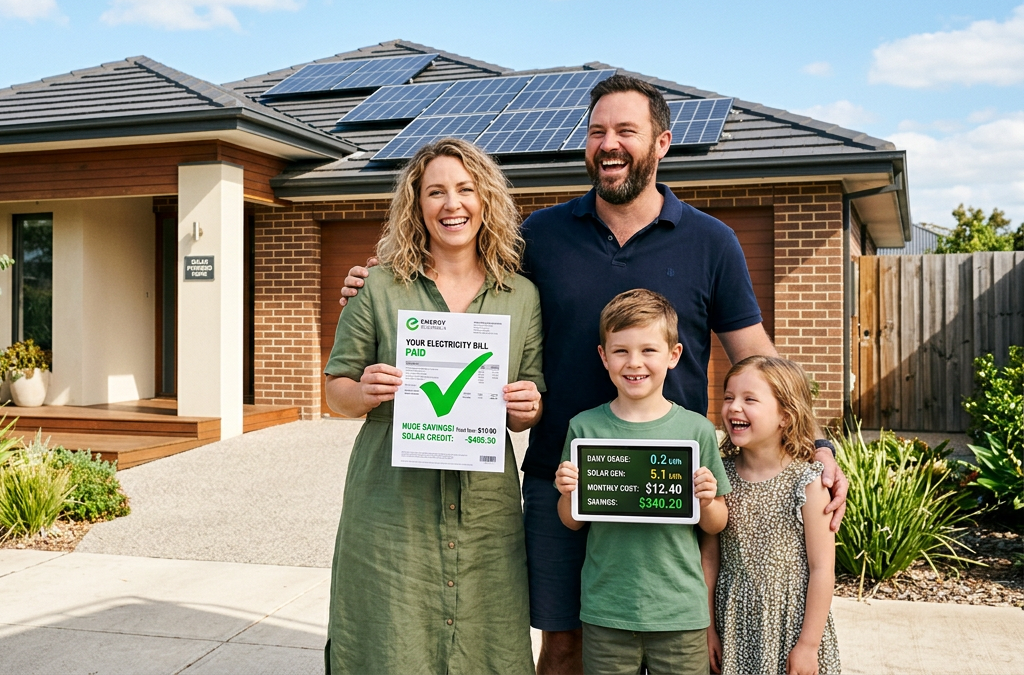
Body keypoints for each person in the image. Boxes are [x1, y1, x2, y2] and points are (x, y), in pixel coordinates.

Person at [342, 74, 848, 674]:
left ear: (662, 143)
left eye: (626, 131)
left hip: (666, 480)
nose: (609, 144)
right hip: (564, 477)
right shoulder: (541, 236)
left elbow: (757, 357)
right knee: (563, 644)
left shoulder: (713, 242)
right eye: (597, 130)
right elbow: (463, 268)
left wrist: (811, 438)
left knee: (672, 640)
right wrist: (378, 277)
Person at [323, 137, 547, 674]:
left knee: (485, 637)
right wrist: (364, 390)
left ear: (486, 200)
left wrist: (526, 405)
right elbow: (336, 389)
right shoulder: (379, 287)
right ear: (415, 205)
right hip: (391, 501)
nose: (453, 204)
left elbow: (529, 400)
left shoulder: (520, 295)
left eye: (466, 190)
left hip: (485, 505)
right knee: (391, 636)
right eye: (436, 192)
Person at [554, 289, 729, 675]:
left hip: (680, 611)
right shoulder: (585, 429)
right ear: (603, 356)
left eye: (648, 350)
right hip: (607, 609)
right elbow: (572, 520)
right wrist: (568, 491)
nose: (634, 363)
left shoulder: (696, 431)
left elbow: (716, 524)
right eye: (621, 351)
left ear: (674, 355)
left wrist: (708, 499)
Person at [702, 356, 840, 675]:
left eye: (749, 399)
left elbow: (822, 569)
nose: (734, 407)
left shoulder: (808, 482)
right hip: (731, 620)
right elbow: (709, 559)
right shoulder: (718, 477)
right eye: (728, 398)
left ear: (785, 416)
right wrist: (708, 627)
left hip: (791, 625)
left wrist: (808, 645)